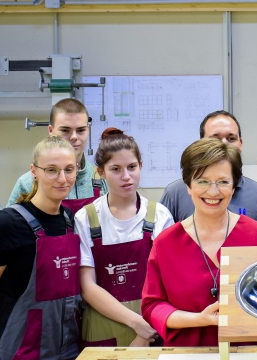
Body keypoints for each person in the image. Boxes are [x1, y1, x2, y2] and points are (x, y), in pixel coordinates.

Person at [142, 138, 257, 346]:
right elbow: (152, 306)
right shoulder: (166, 243)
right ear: (188, 186)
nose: (213, 192)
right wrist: (199, 319)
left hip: (247, 352)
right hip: (186, 353)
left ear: (234, 186)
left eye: (223, 181)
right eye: (202, 181)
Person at [0, 136, 82, 359]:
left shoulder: (70, 221)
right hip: (22, 353)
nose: (62, 179)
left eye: (69, 170)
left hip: (70, 350)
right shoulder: (6, 225)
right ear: (34, 171)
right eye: (51, 170)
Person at [75, 128, 174, 347]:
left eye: (132, 167)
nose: (126, 176)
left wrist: (144, 332)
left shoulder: (160, 216)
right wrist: (135, 323)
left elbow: (169, 283)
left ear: (141, 165)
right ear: (101, 172)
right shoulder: (86, 218)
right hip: (103, 327)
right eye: (115, 169)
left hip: (152, 329)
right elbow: (87, 287)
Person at [160, 110, 257, 245]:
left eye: (231, 139)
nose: (224, 144)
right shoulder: (174, 194)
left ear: (241, 144)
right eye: (214, 139)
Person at [7, 98, 108, 214]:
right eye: (65, 130)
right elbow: (9, 225)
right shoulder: (27, 183)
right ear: (51, 130)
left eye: (81, 130)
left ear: (88, 130)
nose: (74, 137)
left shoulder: (101, 178)